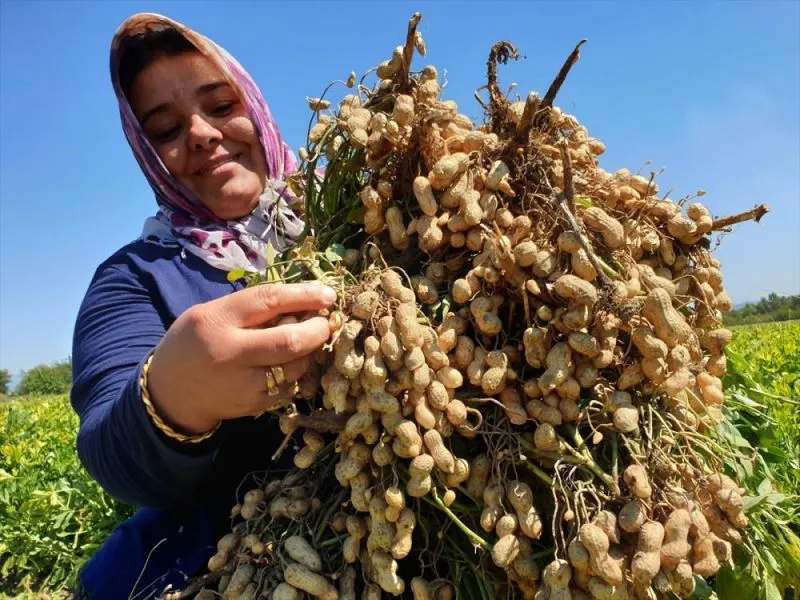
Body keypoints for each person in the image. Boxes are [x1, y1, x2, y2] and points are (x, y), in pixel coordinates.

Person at [70, 13, 334, 599]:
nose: (202, 134)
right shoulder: (134, 277)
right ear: (146, 155)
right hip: (233, 561)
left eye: (220, 106)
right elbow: (109, 448)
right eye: (165, 130)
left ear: (257, 109)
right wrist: (172, 397)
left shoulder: (355, 216)